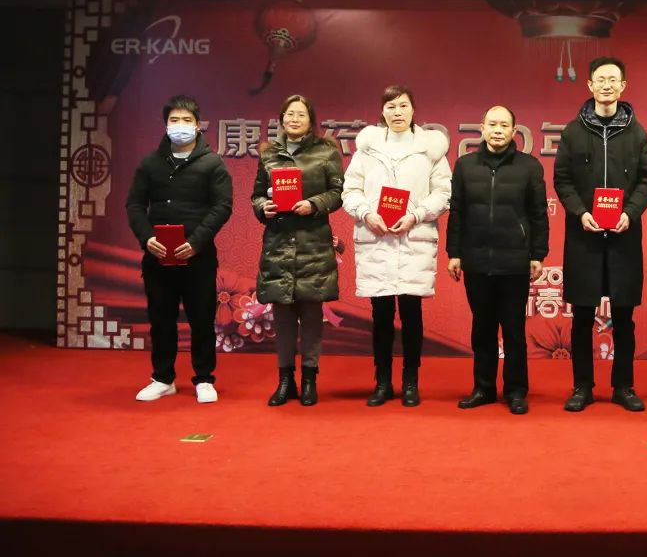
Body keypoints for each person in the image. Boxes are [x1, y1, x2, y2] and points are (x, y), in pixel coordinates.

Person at [553, 56, 647, 412]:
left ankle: (623, 386)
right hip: (584, 235)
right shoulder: (572, 131)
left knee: (624, 317)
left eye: (613, 79)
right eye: (601, 79)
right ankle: (582, 386)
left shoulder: (637, 132)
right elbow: (562, 179)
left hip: (624, 236)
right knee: (582, 317)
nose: (607, 85)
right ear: (590, 85)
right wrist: (580, 213)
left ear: (623, 86)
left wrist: (631, 212)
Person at [342, 86, 451, 407]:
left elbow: (443, 193)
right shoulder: (367, 149)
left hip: (413, 239)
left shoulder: (430, 149)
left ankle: (410, 381)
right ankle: (382, 381)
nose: (397, 112)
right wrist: (367, 213)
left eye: (403, 105)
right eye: (391, 106)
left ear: (413, 110)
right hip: (376, 239)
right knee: (381, 315)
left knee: (412, 314)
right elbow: (350, 190)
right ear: (383, 111)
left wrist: (416, 214)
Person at [126, 95, 232, 403]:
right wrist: (146, 238)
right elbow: (134, 204)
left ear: (198, 126)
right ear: (165, 125)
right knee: (161, 319)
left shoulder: (212, 163)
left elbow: (222, 206)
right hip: (158, 257)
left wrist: (196, 242)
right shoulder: (150, 163)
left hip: (198, 257)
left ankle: (204, 379)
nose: (180, 125)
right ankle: (162, 378)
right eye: (174, 120)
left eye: (187, 120)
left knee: (201, 319)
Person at [447, 106, 549, 415]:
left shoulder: (529, 166)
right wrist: (454, 253)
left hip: (514, 261)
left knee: (514, 330)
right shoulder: (465, 166)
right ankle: (483, 388)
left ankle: (516, 391)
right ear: (482, 128)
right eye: (492, 124)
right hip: (476, 259)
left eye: (504, 125)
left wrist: (538, 254)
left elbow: (538, 213)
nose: (498, 130)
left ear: (514, 131)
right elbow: (457, 212)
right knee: (482, 329)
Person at [252, 95, 344, 407]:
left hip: (313, 243)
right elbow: (255, 195)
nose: (294, 119)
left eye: (301, 114)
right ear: (281, 118)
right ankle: (285, 381)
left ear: (311, 120)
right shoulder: (269, 154)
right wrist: (263, 207)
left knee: (312, 316)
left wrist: (314, 204)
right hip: (278, 242)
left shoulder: (326, 151)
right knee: (283, 317)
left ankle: (309, 379)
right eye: (289, 114)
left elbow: (338, 192)